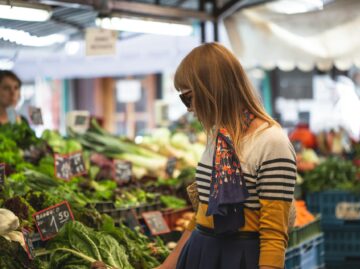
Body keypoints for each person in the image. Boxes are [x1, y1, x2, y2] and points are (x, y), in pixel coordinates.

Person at [91, 42, 296, 269]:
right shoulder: (219, 138)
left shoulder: (271, 142)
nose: (188, 108)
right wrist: (165, 267)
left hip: (240, 258)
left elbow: (274, 235)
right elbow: (200, 217)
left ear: (211, 90)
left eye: (187, 97)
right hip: (200, 253)